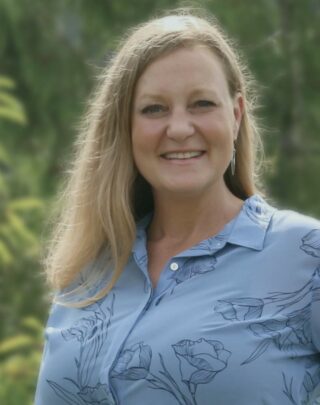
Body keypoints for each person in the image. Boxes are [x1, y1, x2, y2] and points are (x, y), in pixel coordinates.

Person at [35, 9, 320, 405]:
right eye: (154, 109)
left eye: (202, 103)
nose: (180, 128)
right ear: (125, 126)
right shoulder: (88, 270)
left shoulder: (307, 256)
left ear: (235, 115)